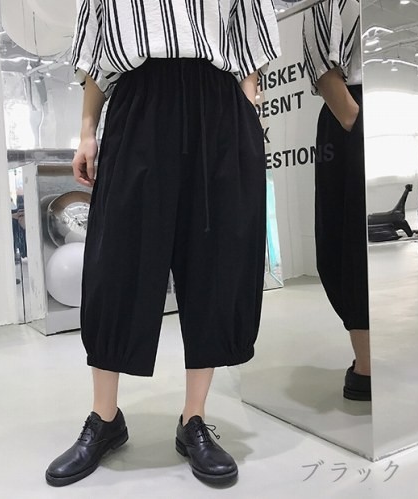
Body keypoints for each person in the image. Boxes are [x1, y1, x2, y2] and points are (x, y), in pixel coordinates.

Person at [46, 0, 280, 487]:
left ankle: (194, 419)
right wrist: (87, 132)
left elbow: (248, 43)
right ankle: (104, 418)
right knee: (116, 261)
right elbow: (95, 54)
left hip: (218, 104)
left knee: (214, 260)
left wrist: (247, 113)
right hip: (138, 99)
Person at [303, 0, 371, 401]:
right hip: (352, 111)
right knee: (350, 241)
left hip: (383, 104)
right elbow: (319, 54)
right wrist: (353, 118)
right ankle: (367, 365)